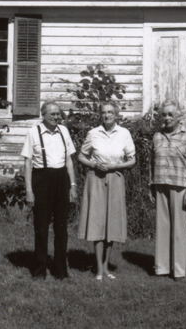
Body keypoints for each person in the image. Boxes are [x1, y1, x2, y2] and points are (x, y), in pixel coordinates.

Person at [76, 101, 136, 281]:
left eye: (110, 112)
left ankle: (106, 265)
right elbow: (81, 156)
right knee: (97, 221)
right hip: (96, 178)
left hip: (115, 178)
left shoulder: (124, 133)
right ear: (100, 115)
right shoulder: (93, 134)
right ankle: (98, 269)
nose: (107, 115)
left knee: (112, 222)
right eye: (104, 113)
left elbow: (132, 160)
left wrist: (116, 165)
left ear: (116, 114)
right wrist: (93, 164)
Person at [22, 101, 78, 280]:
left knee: (61, 228)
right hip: (42, 180)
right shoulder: (33, 132)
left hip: (62, 180)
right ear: (43, 115)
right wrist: (29, 190)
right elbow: (28, 163)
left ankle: (61, 270)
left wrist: (73, 186)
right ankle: (39, 270)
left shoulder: (64, 131)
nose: (56, 117)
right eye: (52, 114)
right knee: (41, 227)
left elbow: (69, 160)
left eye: (58, 114)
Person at [151, 99, 186, 281]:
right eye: (164, 114)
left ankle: (179, 271)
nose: (167, 118)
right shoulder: (157, 136)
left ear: (179, 116)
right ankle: (162, 268)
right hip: (160, 184)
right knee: (162, 227)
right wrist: (151, 185)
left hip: (180, 186)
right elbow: (152, 162)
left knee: (179, 229)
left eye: (171, 114)